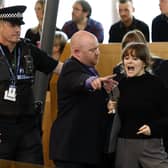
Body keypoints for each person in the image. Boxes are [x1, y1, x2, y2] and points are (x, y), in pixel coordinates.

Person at [0, 5, 62, 164]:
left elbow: (57, 67)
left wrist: (87, 75)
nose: (18, 30)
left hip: (28, 127)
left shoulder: (28, 50)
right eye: (12, 25)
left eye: (19, 25)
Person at [49, 30, 117, 168]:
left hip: (85, 151)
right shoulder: (70, 67)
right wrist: (91, 82)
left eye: (97, 48)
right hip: (73, 152)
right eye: (92, 50)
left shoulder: (89, 68)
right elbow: (80, 80)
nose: (98, 52)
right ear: (76, 52)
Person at [113, 42, 168, 168]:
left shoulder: (156, 84)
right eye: (126, 58)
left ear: (144, 62)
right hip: (124, 145)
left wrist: (153, 128)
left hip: (151, 145)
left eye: (135, 58)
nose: (129, 62)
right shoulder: (121, 85)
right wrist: (111, 108)